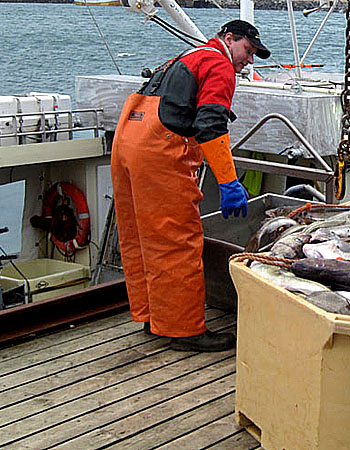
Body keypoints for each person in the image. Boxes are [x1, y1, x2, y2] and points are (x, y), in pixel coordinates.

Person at [111, 20, 270, 352]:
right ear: (229, 39)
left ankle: (154, 317)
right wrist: (228, 181)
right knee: (177, 239)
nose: (249, 59)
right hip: (159, 151)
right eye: (248, 50)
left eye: (254, 54)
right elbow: (210, 124)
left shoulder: (187, 56)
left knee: (140, 236)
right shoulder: (219, 64)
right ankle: (184, 330)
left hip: (127, 142)